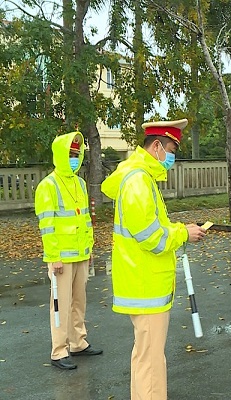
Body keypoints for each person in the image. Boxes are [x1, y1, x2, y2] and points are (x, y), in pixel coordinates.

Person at [101, 119, 205, 400]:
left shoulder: (142, 178)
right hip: (145, 284)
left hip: (146, 283)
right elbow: (151, 237)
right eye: (171, 149)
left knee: (148, 358)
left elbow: (153, 227)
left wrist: (181, 230)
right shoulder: (138, 181)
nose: (172, 157)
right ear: (156, 146)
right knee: (149, 362)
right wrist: (183, 234)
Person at [35, 131, 103, 370]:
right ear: (61, 155)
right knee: (60, 305)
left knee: (78, 302)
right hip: (61, 258)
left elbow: (85, 220)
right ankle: (59, 351)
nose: (75, 158)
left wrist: (89, 249)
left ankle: (78, 343)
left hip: (81, 254)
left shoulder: (80, 183)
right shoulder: (48, 186)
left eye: (78, 153)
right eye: (71, 154)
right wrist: (53, 258)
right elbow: (47, 226)